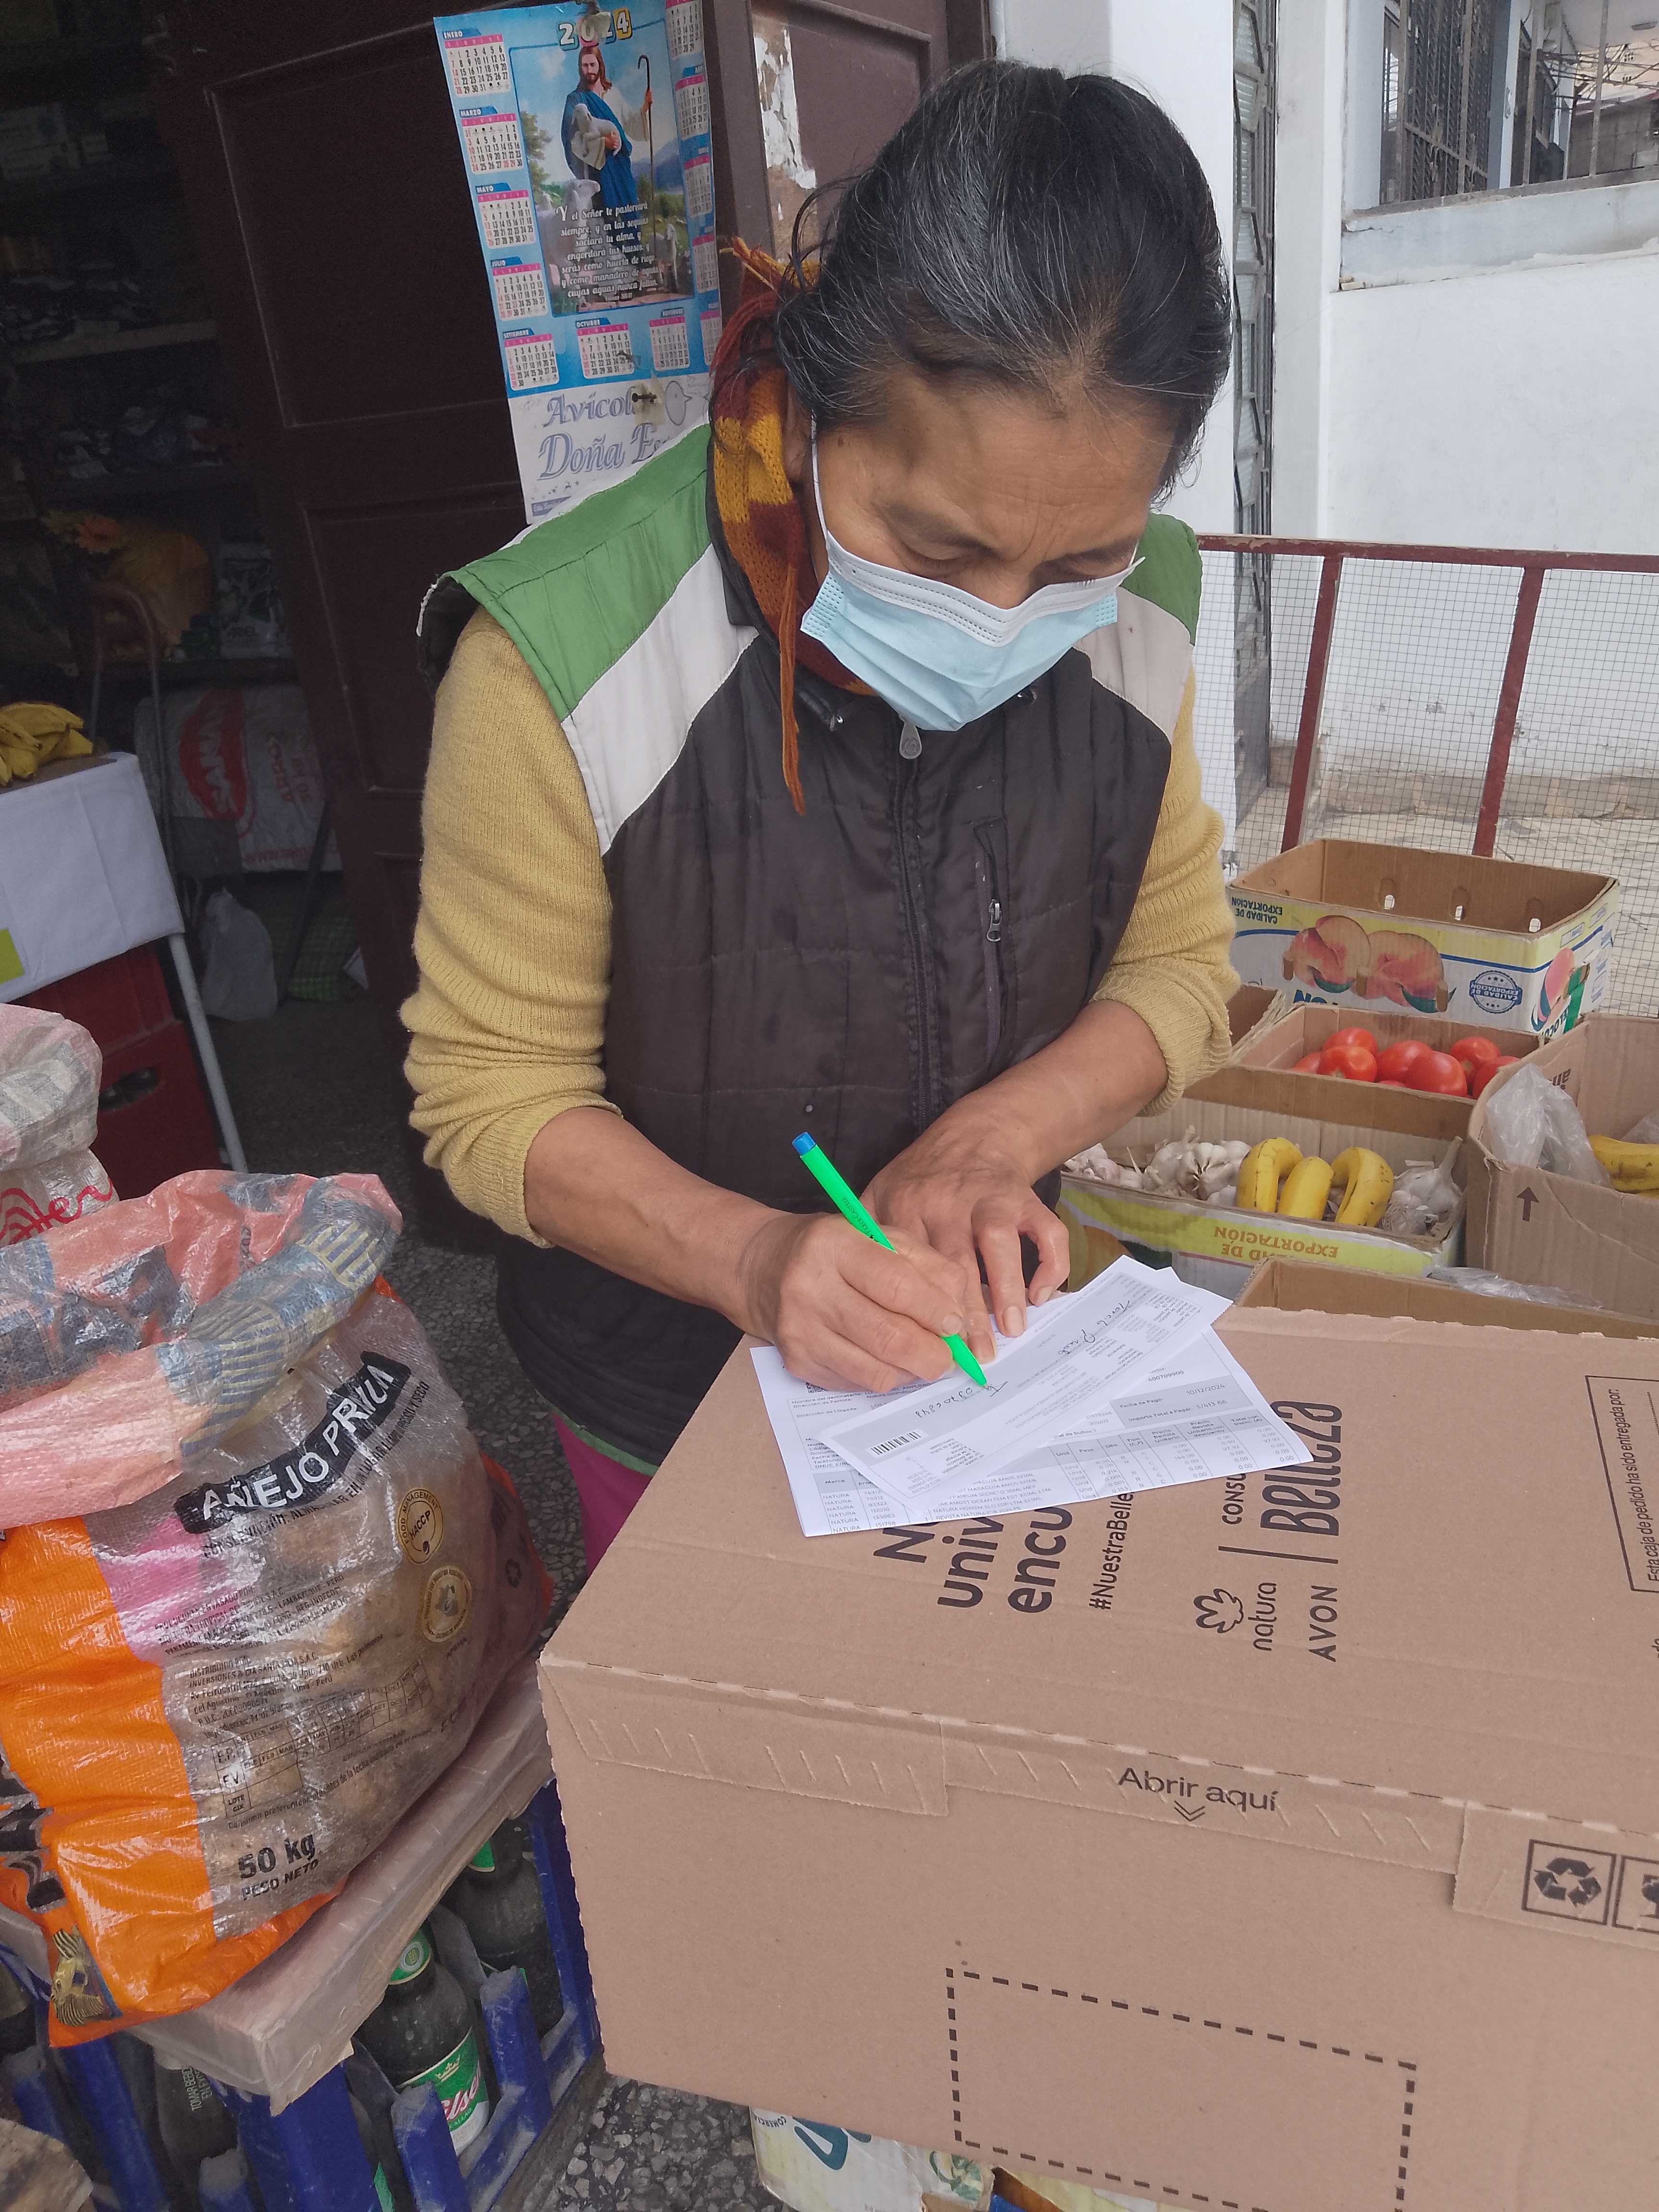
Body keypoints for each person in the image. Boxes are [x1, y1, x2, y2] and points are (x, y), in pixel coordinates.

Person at [407, 62, 1238, 1573]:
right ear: (814, 403)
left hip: (992, 1374)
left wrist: (993, 1142)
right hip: (662, 1403)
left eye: (1076, 566)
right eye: (937, 548)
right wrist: (757, 1259)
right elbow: (491, 1097)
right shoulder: (564, 657)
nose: (1005, 619)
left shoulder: (1148, 613)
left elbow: (1178, 967)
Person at [560, 38, 648, 216]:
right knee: (607, 217)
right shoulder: (576, 100)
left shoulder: (613, 94)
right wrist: (603, 143)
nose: (589, 70)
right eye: (585, 66)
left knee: (630, 212)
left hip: (621, 167)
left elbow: (631, 124)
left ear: (600, 65)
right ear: (580, 68)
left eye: (593, 65)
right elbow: (572, 137)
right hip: (597, 171)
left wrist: (646, 107)